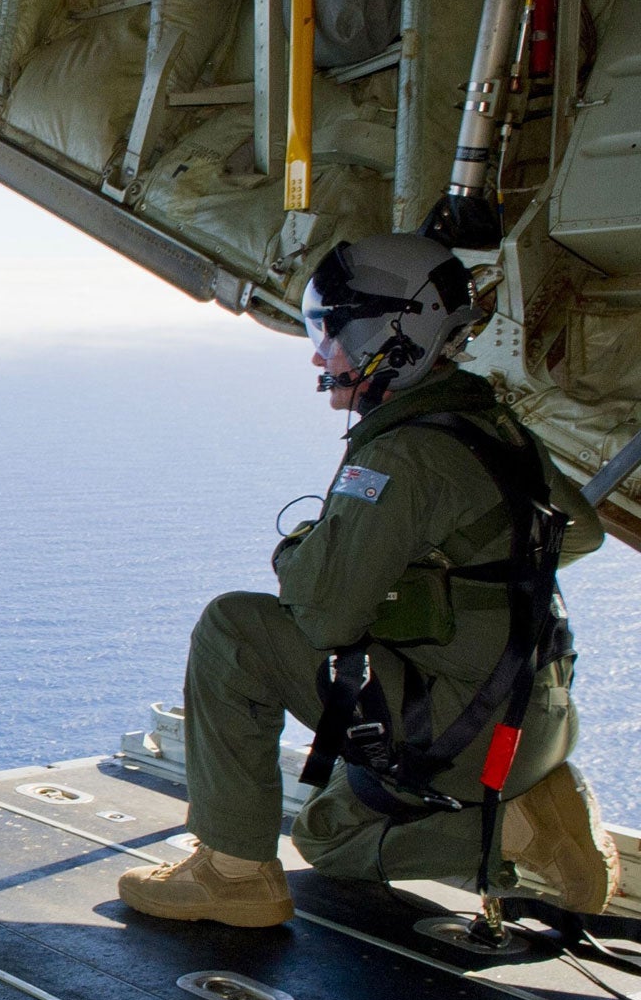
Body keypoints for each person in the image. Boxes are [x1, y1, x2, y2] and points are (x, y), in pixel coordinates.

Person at [119, 232, 619, 927]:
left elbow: (324, 615)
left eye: (330, 333)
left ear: (392, 337)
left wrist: (304, 552)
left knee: (234, 629)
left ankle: (234, 875)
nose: (321, 353)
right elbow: (580, 531)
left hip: (464, 727)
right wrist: (442, 575)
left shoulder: (400, 456)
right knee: (325, 835)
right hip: (532, 715)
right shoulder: (490, 422)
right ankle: (525, 826)